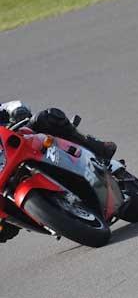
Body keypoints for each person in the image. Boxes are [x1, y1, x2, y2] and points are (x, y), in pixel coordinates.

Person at [0, 101, 118, 244]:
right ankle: (48, 215)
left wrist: (17, 110)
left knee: (47, 117)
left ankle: (96, 148)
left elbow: (8, 106)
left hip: (15, 140)